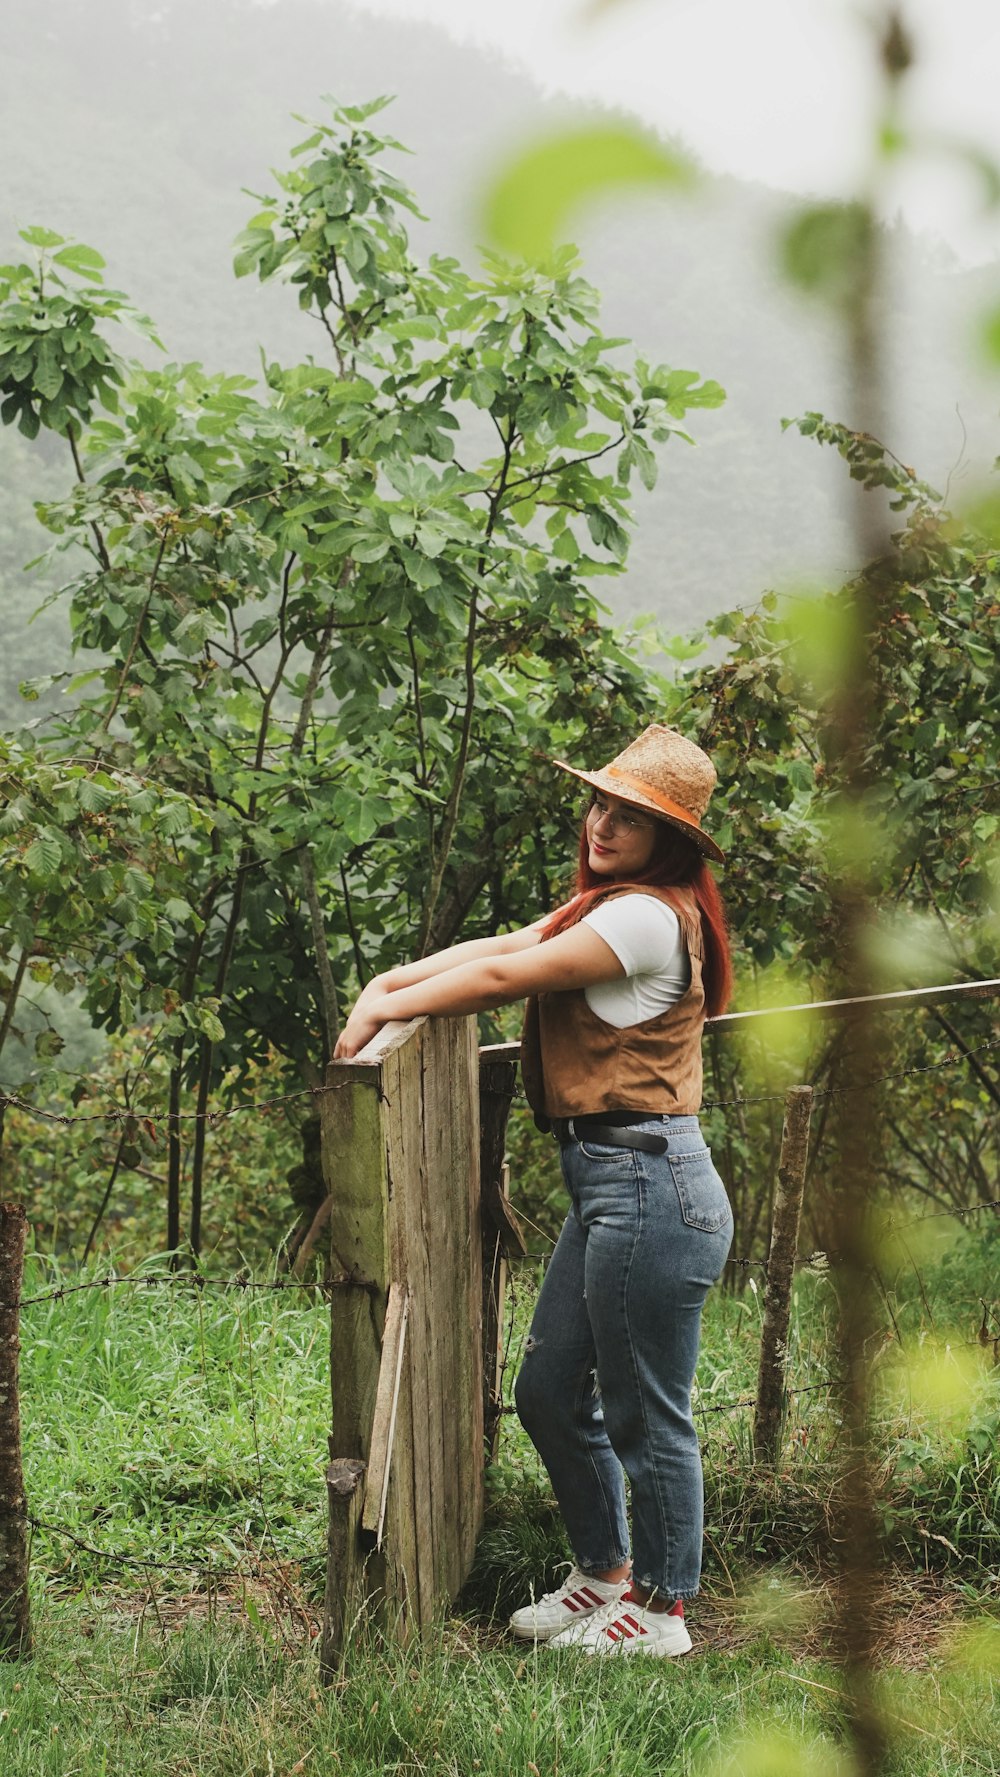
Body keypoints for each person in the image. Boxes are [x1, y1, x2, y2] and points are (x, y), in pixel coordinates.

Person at [335, 724, 734, 1658]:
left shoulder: (644, 918)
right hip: (614, 1184)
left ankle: (665, 1612)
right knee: (550, 1389)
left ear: (668, 838)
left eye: (629, 817)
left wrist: (386, 1007)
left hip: (651, 1184)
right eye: (600, 803)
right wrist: (389, 979)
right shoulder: (613, 902)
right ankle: (605, 1575)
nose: (603, 823)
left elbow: (509, 975)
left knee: (646, 1409)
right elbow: (506, 940)